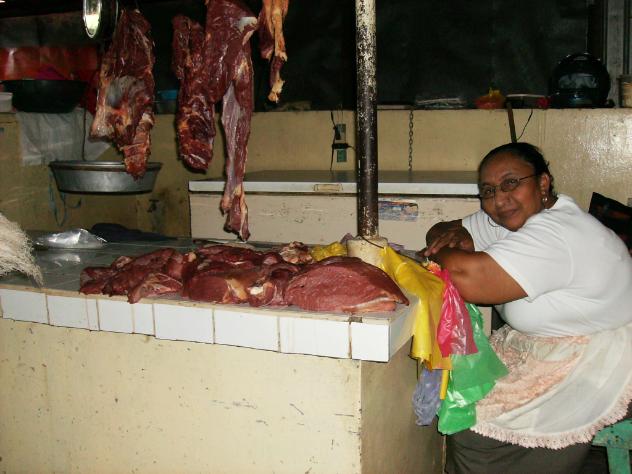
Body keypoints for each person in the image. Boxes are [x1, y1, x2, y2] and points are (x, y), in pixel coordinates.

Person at [423, 142, 632, 474]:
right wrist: (450, 238)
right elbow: (444, 228)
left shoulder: (557, 232)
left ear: (542, 183)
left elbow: (469, 278)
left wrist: (442, 252)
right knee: (462, 394)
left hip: (599, 357)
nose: (499, 199)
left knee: (476, 427)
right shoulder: (512, 217)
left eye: (511, 183)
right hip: (544, 346)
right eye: (488, 191)